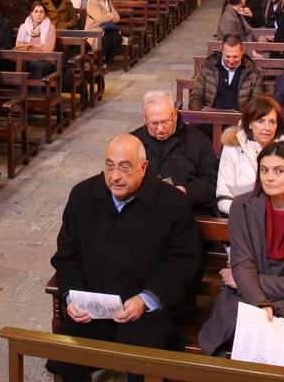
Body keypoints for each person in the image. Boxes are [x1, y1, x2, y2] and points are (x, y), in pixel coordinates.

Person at [47, 134, 201, 382]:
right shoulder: (83, 195)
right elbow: (66, 255)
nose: (115, 176)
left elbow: (183, 261)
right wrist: (72, 297)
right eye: (109, 166)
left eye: (124, 167)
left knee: (142, 359)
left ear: (143, 168)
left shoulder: (172, 202)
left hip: (146, 310)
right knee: (67, 355)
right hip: (93, 306)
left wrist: (145, 299)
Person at [199, 142, 284, 367]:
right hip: (246, 297)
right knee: (238, 337)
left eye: (279, 171)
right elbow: (242, 263)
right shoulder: (242, 206)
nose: (270, 177)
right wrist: (259, 301)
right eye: (264, 170)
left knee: (283, 343)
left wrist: (241, 281)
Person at [130, 90, 218, 212]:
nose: (160, 129)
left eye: (165, 122)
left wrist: (186, 191)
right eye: (154, 123)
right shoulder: (133, 141)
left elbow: (211, 183)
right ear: (145, 119)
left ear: (175, 115)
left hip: (184, 210)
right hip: (142, 210)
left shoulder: (199, 141)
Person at [215, 95, 284, 215]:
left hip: (278, 214)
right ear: (250, 123)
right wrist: (248, 213)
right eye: (260, 121)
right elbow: (223, 197)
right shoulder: (232, 147)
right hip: (242, 215)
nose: (267, 128)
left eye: (272, 122)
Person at [191, 35, 266, 111]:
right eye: (227, 56)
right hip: (210, 115)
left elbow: (257, 101)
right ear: (222, 51)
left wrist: (246, 118)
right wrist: (202, 114)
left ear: (242, 51)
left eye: (235, 57)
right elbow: (196, 97)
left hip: (240, 118)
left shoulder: (253, 72)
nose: (231, 61)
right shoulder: (208, 67)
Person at [15, 2, 57, 79]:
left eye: (41, 12)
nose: (38, 14)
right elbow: (18, 47)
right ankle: (19, 91)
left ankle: (37, 91)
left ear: (45, 14)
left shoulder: (50, 27)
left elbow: (48, 50)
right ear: (31, 13)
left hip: (45, 60)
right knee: (20, 64)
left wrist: (28, 46)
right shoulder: (23, 27)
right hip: (25, 59)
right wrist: (39, 47)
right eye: (36, 11)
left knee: (34, 65)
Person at [86, 0, 122, 66]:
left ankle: (107, 63)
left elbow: (117, 18)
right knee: (106, 41)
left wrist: (106, 17)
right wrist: (109, 15)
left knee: (117, 38)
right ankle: (96, 63)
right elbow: (100, 18)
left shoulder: (107, 1)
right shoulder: (92, 1)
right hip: (95, 29)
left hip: (107, 27)